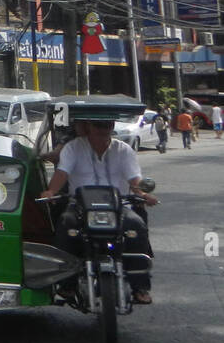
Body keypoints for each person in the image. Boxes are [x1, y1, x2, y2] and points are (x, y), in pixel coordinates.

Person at [43, 117, 158, 304]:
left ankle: (140, 286)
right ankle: (67, 284)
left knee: (137, 226)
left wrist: (144, 195)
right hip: (80, 207)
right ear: (88, 126)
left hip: (119, 206)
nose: (103, 129)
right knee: (66, 225)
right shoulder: (73, 147)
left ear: (112, 126)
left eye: (108, 125)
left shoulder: (124, 150)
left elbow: (134, 179)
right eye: (98, 125)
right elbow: (62, 172)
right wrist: (51, 191)